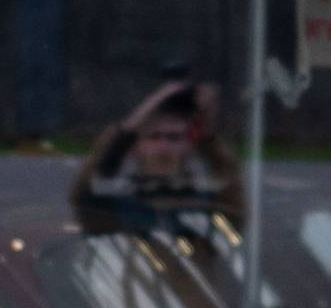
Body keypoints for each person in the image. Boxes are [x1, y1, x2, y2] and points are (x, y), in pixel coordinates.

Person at [72, 71, 235, 234]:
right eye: (154, 137)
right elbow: (85, 191)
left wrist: (207, 134)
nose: (163, 146)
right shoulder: (112, 195)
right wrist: (144, 112)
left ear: (190, 145)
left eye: (174, 137)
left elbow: (233, 196)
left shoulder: (206, 196)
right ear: (135, 147)